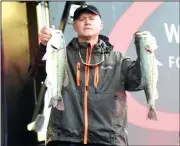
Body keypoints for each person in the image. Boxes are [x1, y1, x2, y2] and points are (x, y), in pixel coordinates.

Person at [29, 4, 155, 146]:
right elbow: (37, 73)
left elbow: (139, 81)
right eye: (82, 19)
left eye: (91, 18)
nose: (87, 22)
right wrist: (45, 46)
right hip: (64, 138)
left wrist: (143, 49)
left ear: (101, 25)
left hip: (108, 140)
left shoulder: (117, 59)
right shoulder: (60, 53)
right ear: (74, 26)